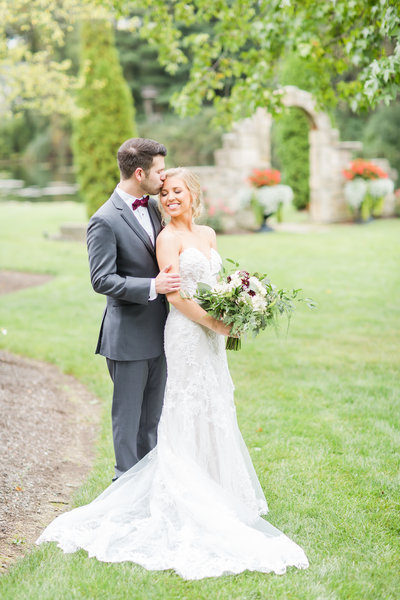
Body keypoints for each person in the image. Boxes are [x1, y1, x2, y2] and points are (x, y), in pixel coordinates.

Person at [37, 168, 309, 579]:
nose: (170, 198)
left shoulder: (210, 235)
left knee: (216, 404)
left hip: (212, 340)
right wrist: (215, 323)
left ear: (193, 194)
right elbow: (177, 296)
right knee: (184, 406)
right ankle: (182, 492)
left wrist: (237, 303)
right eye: (165, 193)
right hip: (186, 334)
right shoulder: (167, 238)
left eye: (177, 191)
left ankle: (219, 489)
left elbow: (214, 284)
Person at [86, 138, 180, 481]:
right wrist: (150, 287)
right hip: (127, 338)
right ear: (140, 173)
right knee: (128, 422)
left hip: (163, 333)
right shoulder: (104, 220)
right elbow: (101, 280)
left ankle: (151, 487)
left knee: (152, 422)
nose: (164, 177)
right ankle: (123, 490)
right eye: (159, 171)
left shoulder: (155, 208)